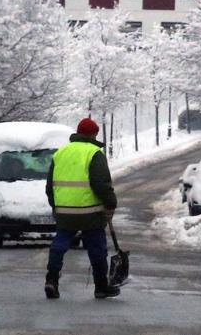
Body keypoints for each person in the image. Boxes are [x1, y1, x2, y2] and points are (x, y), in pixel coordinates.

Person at [44, 118, 120, 299]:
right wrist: (111, 203)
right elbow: (101, 184)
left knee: (59, 245)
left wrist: (56, 206)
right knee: (97, 248)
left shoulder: (60, 153)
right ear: (94, 134)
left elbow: (49, 186)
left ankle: (51, 280)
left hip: (64, 211)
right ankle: (101, 286)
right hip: (90, 212)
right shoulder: (94, 153)